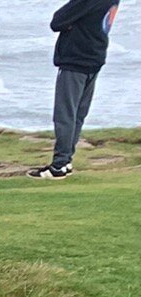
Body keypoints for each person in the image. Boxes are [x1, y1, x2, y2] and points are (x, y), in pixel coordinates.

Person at [35, 1, 120, 178]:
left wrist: (73, 23)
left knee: (65, 114)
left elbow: (57, 21)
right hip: (94, 57)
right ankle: (65, 161)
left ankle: (59, 165)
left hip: (76, 60)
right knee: (78, 114)